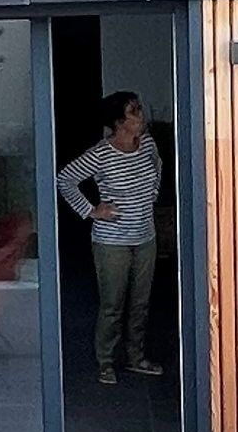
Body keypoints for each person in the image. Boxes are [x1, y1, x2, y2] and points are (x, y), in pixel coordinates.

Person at [58, 91, 163, 385]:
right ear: (119, 121)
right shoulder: (100, 154)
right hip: (111, 241)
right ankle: (105, 361)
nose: (141, 113)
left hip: (145, 237)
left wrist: (150, 199)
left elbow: (158, 169)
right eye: (134, 110)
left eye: (139, 107)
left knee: (141, 303)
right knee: (112, 304)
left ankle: (136, 357)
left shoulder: (148, 145)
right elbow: (64, 179)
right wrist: (92, 211)